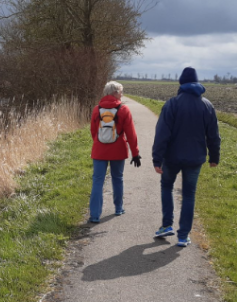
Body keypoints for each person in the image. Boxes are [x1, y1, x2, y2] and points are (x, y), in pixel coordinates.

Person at [152, 67, 221, 247]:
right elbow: (213, 135)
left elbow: (162, 134)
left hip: (171, 157)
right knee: (189, 194)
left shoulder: (172, 104)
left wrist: (157, 158)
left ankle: (167, 225)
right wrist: (215, 156)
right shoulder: (207, 105)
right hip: (195, 158)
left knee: (166, 186)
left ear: (181, 83)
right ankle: (183, 236)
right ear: (197, 83)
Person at [88, 81, 141, 223]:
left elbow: (93, 131)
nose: (122, 94)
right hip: (118, 150)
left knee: (97, 181)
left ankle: (94, 215)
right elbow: (131, 134)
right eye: (121, 92)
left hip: (99, 151)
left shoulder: (96, 109)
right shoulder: (123, 109)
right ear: (115, 92)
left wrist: (99, 143)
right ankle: (118, 208)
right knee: (117, 178)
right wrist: (135, 153)